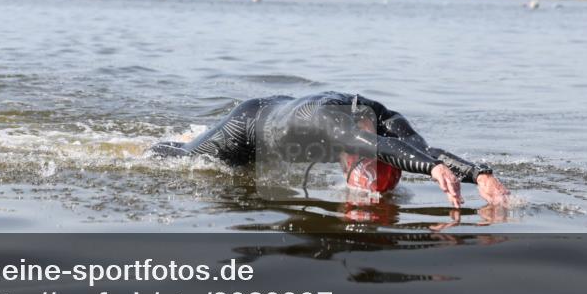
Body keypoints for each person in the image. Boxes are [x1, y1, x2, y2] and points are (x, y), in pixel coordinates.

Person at [148, 92, 510, 208]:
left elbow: (423, 149)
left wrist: (479, 174)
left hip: (283, 120)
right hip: (250, 126)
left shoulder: (383, 116)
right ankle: (151, 147)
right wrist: (431, 171)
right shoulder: (332, 124)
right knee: (190, 159)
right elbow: (364, 143)